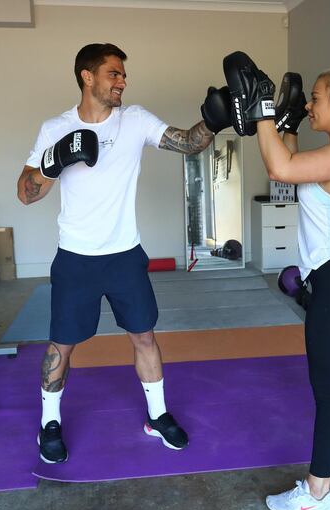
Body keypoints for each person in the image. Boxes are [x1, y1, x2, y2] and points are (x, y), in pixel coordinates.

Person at [17, 43, 215, 464]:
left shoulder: (135, 120)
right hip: (75, 257)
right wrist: (54, 162)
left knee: (144, 335)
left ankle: (158, 416)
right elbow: (26, 193)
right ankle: (48, 423)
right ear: (87, 77)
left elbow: (187, 143)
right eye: (113, 73)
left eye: (123, 74)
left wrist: (215, 121)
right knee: (62, 345)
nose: (122, 81)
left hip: (125, 254)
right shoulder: (55, 127)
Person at [219, 52, 330, 510]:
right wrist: (283, 121)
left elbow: (280, 170)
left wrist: (263, 112)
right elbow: (288, 160)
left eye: (314, 100)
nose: (310, 107)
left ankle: (316, 495)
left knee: (328, 387)